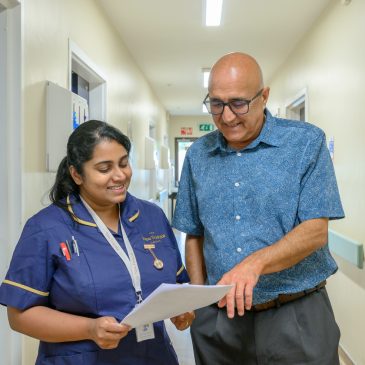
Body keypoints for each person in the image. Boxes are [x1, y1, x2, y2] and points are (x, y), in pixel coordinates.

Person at [173, 52, 344, 365]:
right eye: (216, 104)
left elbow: (315, 231)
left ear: (264, 96)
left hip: (295, 315)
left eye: (238, 103)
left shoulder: (305, 144)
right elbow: (194, 234)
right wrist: (198, 301)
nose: (226, 117)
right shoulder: (198, 156)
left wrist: (255, 264)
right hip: (220, 322)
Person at [0, 120, 194, 365]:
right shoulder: (46, 228)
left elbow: (177, 284)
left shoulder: (151, 217)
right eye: (104, 168)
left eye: (124, 163)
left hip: (153, 355)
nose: (120, 175)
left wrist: (181, 310)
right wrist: (89, 328)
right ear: (76, 174)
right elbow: (20, 316)